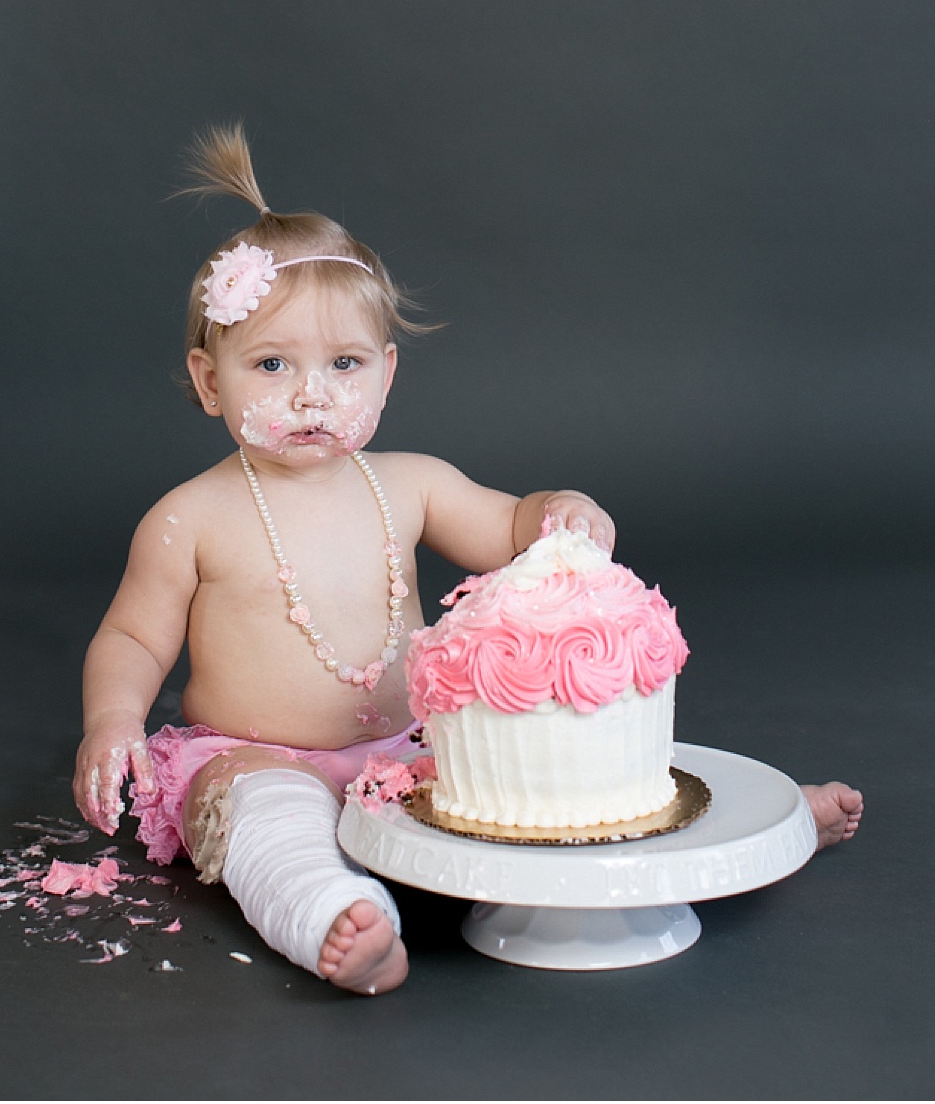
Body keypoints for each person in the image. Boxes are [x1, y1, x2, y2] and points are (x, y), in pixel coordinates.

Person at [74, 125, 863, 996]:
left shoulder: (408, 485)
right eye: (271, 364)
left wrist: (554, 510)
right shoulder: (191, 517)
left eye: (345, 364)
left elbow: (507, 524)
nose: (312, 393)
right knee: (272, 830)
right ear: (210, 378)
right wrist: (113, 721)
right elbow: (134, 639)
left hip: (417, 750)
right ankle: (332, 915)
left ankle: (761, 824)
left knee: (551, 777)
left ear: (387, 374)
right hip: (258, 757)